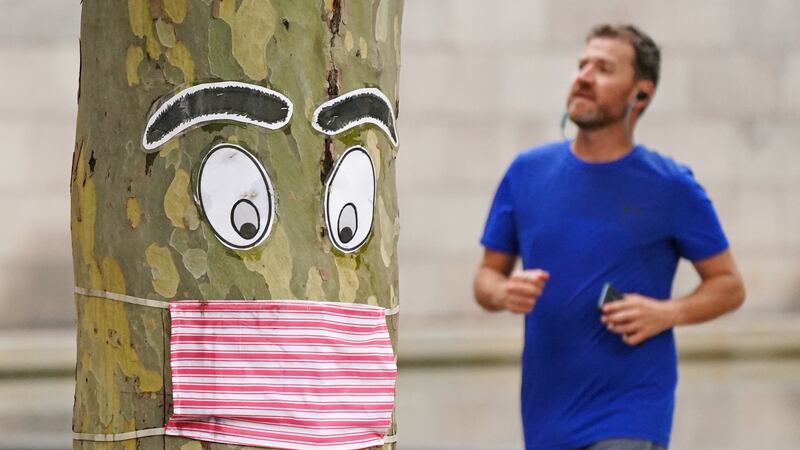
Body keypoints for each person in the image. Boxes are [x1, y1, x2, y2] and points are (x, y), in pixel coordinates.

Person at [473, 24, 746, 450]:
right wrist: (505, 291)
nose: (583, 76)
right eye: (582, 64)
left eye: (603, 68)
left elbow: (729, 285)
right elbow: (485, 279)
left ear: (641, 94)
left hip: (631, 413)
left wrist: (667, 312)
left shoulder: (671, 186)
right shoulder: (526, 172)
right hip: (546, 416)